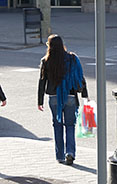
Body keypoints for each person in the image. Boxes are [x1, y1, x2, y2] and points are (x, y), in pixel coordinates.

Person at [37, 34, 88, 165]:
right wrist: (85, 95)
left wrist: (40, 101)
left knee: (57, 125)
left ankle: (60, 156)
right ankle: (70, 152)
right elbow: (80, 76)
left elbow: (42, 81)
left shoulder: (46, 60)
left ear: (50, 46)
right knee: (70, 126)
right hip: (70, 96)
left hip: (54, 98)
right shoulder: (71, 58)